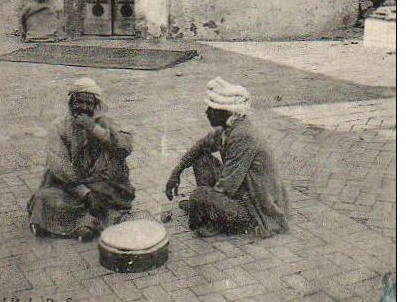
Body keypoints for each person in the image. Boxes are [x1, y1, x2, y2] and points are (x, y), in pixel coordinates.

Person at [165, 77, 289, 239]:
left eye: (212, 109)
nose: (207, 113)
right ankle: (210, 210)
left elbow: (227, 187)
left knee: (198, 195)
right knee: (201, 158)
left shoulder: (243, 136)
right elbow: (201, 146)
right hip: (243, 190)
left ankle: (213, 217)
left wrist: (203, 200)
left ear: (227, 112)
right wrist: (177, 171)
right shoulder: (229, 126)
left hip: (255, 208)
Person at [27, 77, 135, 241]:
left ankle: (83, 222)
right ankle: (86, 223)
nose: (83, 107)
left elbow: (124, 147)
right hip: (71, 188)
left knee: (111, 197)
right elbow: (59, 166)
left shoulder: (104, 123)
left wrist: (94, 129)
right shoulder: (60, 127)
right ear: (71, 103)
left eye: (88, 103)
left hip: (103, 186)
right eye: (79, 102)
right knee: (44, 199)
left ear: (95, 105)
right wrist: (85, 193)